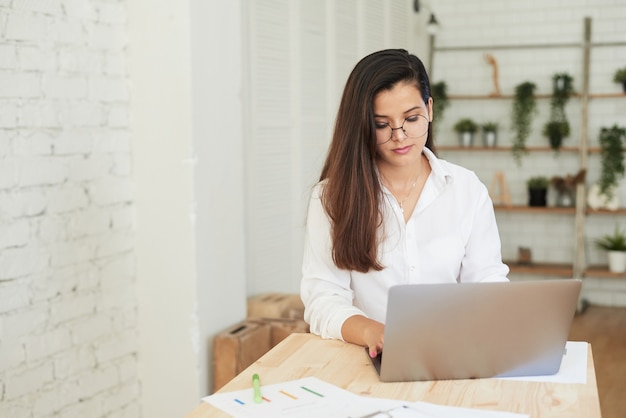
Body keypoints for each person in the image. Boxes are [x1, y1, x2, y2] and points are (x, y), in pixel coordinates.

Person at [300, 49, 509, 359]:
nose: (400, 136)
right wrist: (373, 331)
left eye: (412, 119)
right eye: (382, 124)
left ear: (429, 109)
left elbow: (487, 280)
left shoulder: (466, 190)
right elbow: (323, 298)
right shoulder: (331, 197)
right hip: (366, 357)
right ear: (362, 125)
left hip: (453, 352)